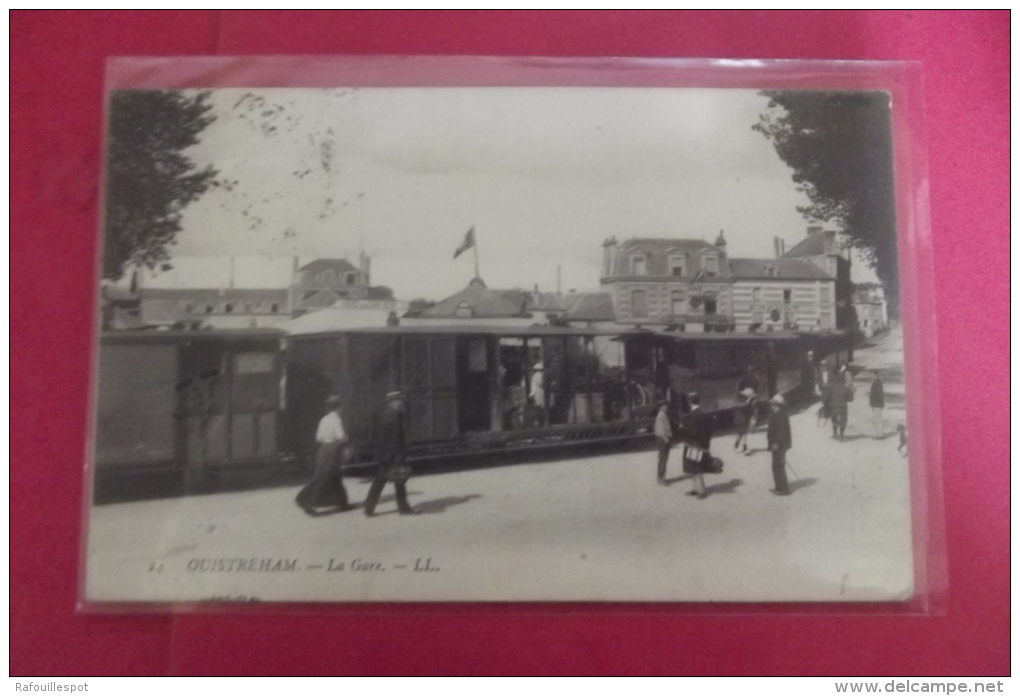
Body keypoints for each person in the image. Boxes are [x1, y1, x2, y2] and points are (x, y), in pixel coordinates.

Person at [295, 394, 351, 515]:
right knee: (325, 477)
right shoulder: (337, 420)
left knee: (334, 476)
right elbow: (341, 436)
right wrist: (346, 441)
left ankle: (343, 503)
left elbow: (319, 437)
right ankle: (309, 503)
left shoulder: (324, 419)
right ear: (339, 407)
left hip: (323, 449)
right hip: (333, 450)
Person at [364, 391, 417, 517]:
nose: (401, 403)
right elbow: (396, 438)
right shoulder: (396, 415)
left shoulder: (381, 414)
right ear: (393, 402)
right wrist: (399, 455)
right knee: (399, 481)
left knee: (380, 481)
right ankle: (404, 508)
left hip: (384, 453)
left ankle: (368, 508)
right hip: (393, 454)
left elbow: (377, 435)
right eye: (399, 400)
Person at [682, 393, 712, 499]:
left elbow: (691, 432)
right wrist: (706, 445)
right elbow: (709, 431)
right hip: (702, 445)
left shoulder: (692, 415)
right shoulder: (703, 413)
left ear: (690, 402)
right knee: (694, 466)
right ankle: (696, 488)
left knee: (695, 467)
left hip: (693, 445)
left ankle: (701, 491)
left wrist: (683, 428)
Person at [766, 394, 792, 496]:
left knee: (779, 466)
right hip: (777, 444)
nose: (770, 406)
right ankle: (778, 487)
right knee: (775, 466)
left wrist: (776, 443)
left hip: (780, 445)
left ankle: (784, 490)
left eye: (772, 404)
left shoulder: (780, 414)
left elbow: (782, 432)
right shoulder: (777, 413)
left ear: (776, 405)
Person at [824, 370, 855, 441]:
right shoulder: (846, 388)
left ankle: (835, 433)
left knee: (834, 418)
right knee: (843, 420)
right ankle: (841, 435)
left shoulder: (831, 387)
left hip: (833, 406)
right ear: (843, 380)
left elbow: (826, 396)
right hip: (842, 406)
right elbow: (851, 399)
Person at [654, 401, 673, 485]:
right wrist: (666, 440)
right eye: (664, 406)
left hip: (663, 439)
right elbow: (660, 430)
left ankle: (662, 478)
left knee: (664, 459)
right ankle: (661, 479)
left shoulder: (662, 415)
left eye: (666, 406)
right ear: (661, 407)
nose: (666, 408)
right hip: (663, 440)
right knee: (663, 459)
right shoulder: (661, 416)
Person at [734, 387, 757, 455]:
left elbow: (751, 410)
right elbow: (745, 409)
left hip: (745, 419)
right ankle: (736, 447)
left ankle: (744, 446)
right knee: (741, 433)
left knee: (744, 433)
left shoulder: (749, 401)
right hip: (742, 419)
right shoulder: (747, 402)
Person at [869, 372, 885, 437]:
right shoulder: (876, 382)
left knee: (878, 419)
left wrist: (874, 403)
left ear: (876, 375)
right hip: (876, 403)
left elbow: (878, 394)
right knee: (877, 419)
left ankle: (880, 434)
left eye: (872, 375)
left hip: (877, 403)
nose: (871, 376)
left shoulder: (877, 382)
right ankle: (879, 433)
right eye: (871, 375)